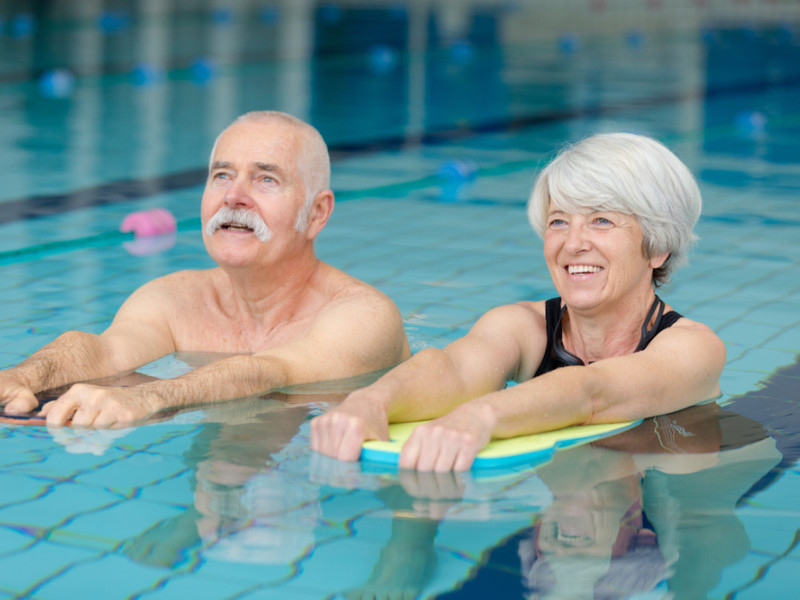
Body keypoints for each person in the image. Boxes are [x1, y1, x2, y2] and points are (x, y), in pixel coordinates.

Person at [311, 132, 726, 471]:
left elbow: (592, 390)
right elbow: (453, 369)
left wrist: (480, 416)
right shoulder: (522, 326)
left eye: (601, 220)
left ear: (658, 248)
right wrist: (369, 402)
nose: (573, 243)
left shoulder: (692, 349)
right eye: (559, 221)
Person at [0, 111, 410, 427]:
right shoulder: (175, 296)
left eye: (265, 180)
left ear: (317, 214)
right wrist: (24, 376)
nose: (234, 195)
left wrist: (150, 397)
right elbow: (107, 350)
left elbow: (271, 371)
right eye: (222, 175)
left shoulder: (364, 316)